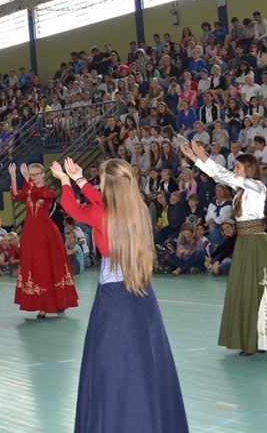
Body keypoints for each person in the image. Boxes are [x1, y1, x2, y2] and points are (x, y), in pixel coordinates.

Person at [51, 157, 188, 433]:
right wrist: (79, 179)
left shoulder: (102, 213)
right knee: (146, 363)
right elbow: (102, 199)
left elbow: (74, 209)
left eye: (100, 180)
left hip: (114, 301)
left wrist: (66, 182)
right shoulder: (137, 206)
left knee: (111, 366)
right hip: (142, 296)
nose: (97, 185)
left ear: (108, 185)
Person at [181, 141, 267, 356]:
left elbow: (226, 176)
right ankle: (255, 340)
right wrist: (197, 159)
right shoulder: (240, 189)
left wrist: (204, 156)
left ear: (249, 169)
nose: (234, 169)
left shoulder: (256, 186)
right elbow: (221, 177)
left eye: (237, 166)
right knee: (247, 291)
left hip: (256, 243)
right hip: (244, 242)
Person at [9, 162, 78, 319]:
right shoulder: (29, 187)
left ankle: (51, 305)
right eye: (31, 174)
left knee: (48, 266)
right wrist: (13, 176)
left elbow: (40, 194)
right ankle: (42, 304)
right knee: (35, 266)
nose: (33, 177)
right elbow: (16, 195)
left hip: (46, 234)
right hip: (30, 233)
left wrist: (27, 178)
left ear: (43, 175)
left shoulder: (49, 191)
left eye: (36, 174)